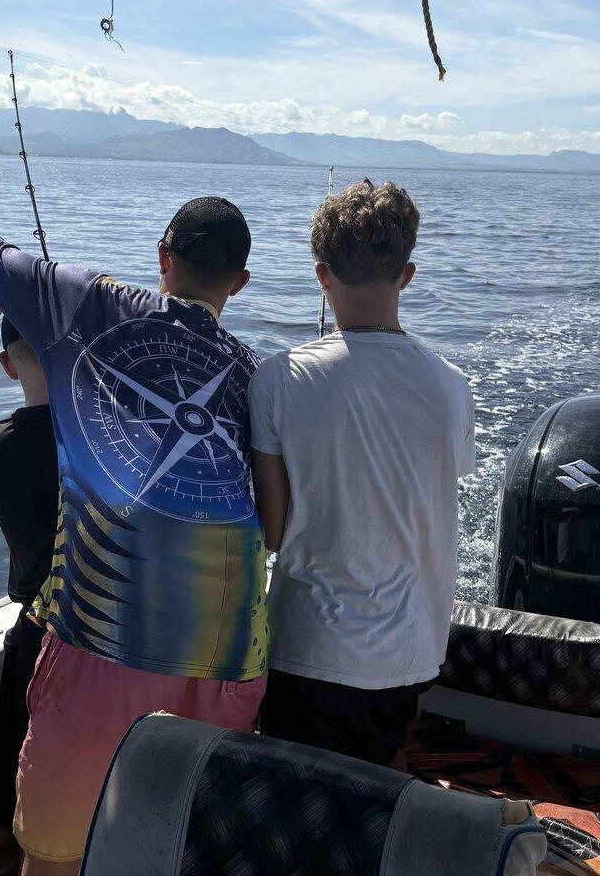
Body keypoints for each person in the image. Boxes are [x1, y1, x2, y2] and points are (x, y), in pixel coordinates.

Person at [0, 197, 268, 876]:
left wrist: (5, 276)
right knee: (177, 849)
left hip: (105, 649)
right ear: (238, 284)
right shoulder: (257, 373)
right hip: (231, 661)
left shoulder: (94, 305)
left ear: (162, 258)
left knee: (53, 855)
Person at [248, 179, 475, 767]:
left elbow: (272, 534)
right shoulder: (454, 388)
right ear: (408, 274)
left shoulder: (276, 380)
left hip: (306, 653)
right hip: (408, 657)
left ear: (322, 275)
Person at [0, 316, 59, 835]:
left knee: (19, 805)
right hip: (116, 628)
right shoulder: (114, 438)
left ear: (8, 366)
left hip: (40, 637)